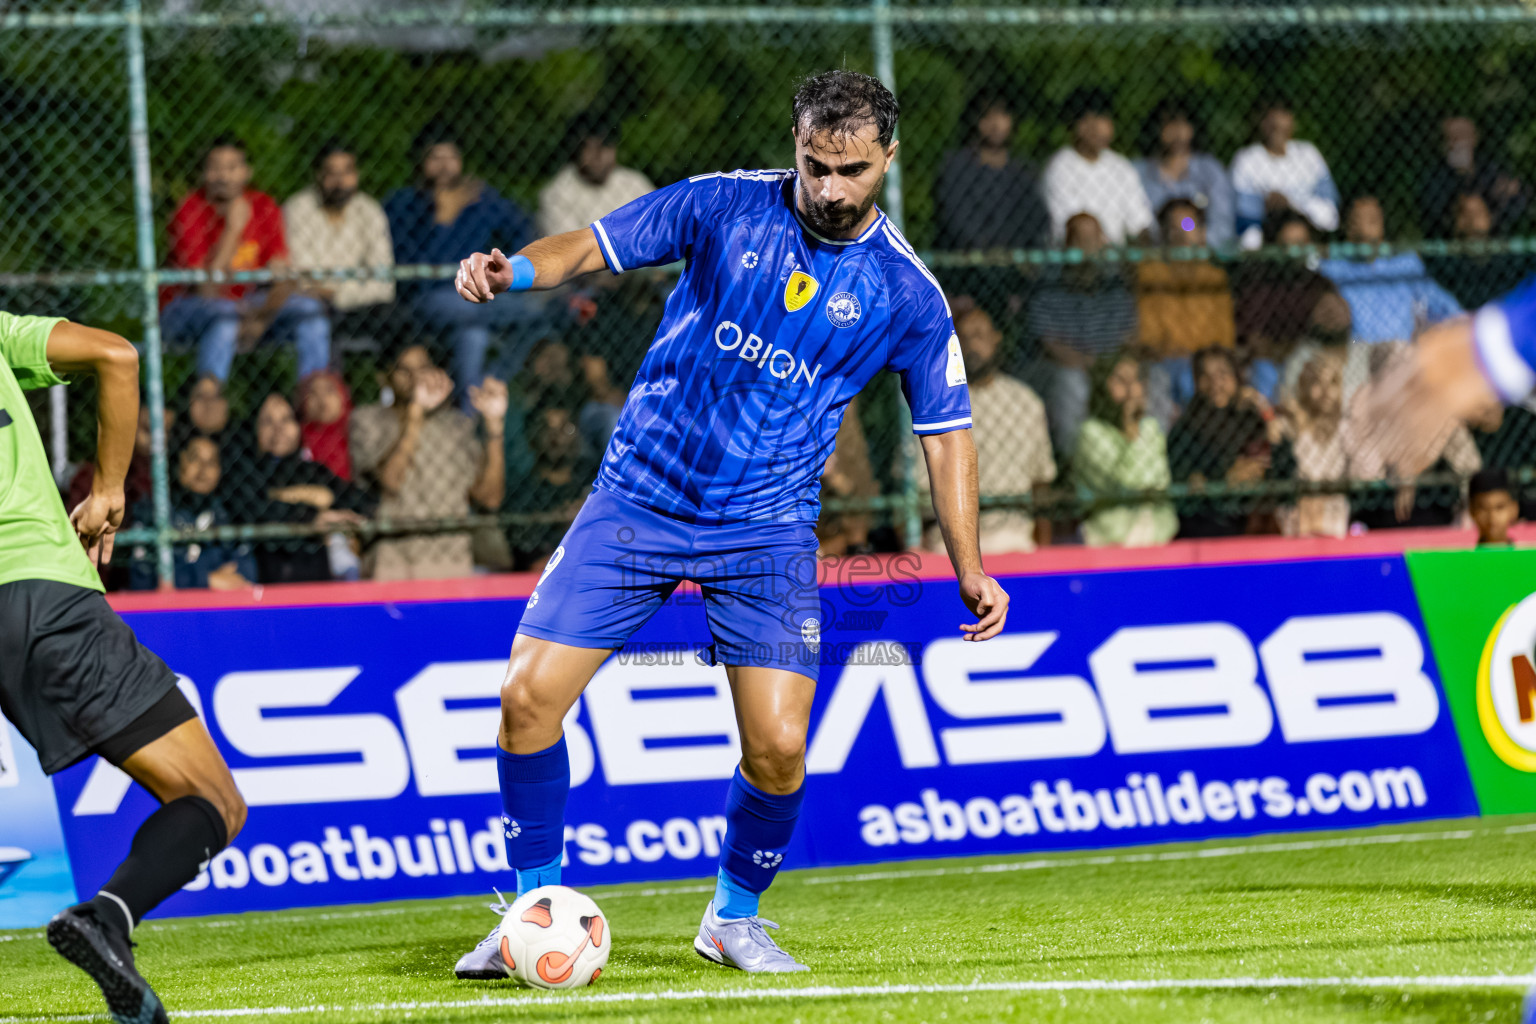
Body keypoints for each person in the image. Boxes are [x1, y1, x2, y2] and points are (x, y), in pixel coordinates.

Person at [450, 69, 1008, 975]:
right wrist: (512, 270)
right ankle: (531, 909)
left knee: (781, 750)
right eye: (815, 164)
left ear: (888, 161)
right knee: (525, 701)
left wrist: (969, 566)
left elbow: (946, 436)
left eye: (852, 171)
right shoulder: (721, 206)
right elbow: (590, 247)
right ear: (794, 142)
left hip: (768, 531)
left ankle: (732, 919)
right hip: (637, 500)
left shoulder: (907, 294)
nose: (829, 188)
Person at [0, 311, 245, 1024]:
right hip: (39, 588)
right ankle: (108, 918)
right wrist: (108, 487)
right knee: (213, 799)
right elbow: (115, 354)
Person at [161, 135, 331, 383]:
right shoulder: (190, 209)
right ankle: (208, 398)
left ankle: (313, 398)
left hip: (252, 307)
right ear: (203, 174)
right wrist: (233, 230)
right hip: (187, 307)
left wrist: (261, 319)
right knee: (225, 318)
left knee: (311, 313)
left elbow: (281, 276)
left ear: (246, 172)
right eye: (215, 168)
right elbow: (205, 289)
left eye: (232, 168)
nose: (223, 177)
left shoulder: (263, 205)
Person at [385, 126, 537, 398]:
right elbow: (413, 264)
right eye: (435, 158)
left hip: (480, 295)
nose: (444, 166)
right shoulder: (403, 203)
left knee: (509, 324)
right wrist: (445, 215)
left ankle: (480, 396)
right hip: (429, 297)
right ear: (420, 163)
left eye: (451, 157)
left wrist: (498, 267)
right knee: (470, 315)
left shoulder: (480, 198)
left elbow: (523, 232)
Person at [349, 342, 507, 580]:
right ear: (387, 378)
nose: (415, 377)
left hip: (452, 558)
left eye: (423, 368)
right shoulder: (368, 420)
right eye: (404, 370)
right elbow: (391, 482)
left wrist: (494, 428)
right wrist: (415, 413)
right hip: (392, 558)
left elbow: (490, 498)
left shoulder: (457, 425)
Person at [918, 308, 1055, 552]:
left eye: (979, 335)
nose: (972, 345)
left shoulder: (1025, 401)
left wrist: (1043, 551)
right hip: (947, 540)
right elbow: (912, 490)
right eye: (964, 338)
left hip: (1014, 535)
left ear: (996, 339)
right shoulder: (934, 402)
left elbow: (1040, 483)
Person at [1027, 212, 1138, 454]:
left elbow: (1127, 336)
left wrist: (1106, 366)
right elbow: (1049, 342)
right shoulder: (1049, 286)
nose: (1087, 247)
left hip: (1109, 364)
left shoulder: (1116, 286)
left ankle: (1137, 456)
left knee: (1146, 380)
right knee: (1072, 383)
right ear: (1067, 245)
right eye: (1080, 239)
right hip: (1067, 366)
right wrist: (1086, 362)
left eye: (1093, 238)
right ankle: (1076, 462)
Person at [239, 392, 374, 584]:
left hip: (317, 581)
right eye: (267, 421)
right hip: (267, 581)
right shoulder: (246, 472)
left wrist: (288, 498)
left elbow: (355, 499)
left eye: (286, 419)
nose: (278, 429)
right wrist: (313, 517)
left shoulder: (312, 470)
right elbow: (256, 509)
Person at [281, 141, 396, 335]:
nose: (340, 181)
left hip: (363, 307)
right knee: (312, 312)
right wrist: (331, 291)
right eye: (332, 173)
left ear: (357, 175)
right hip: (314, 305)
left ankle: (413, 366)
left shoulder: (369, 210)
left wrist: (337, 294)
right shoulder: (297, 209)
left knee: (397, 316)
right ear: (318, 175)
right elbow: (300, 275)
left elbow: (383, 281)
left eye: (347, 172)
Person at [1136, 199, 1236, 414]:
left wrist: (1199, 357)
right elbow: (1147, 336)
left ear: (1202, 233)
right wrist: (1165, 350)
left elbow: (1224, 336)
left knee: (1197, 375)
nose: (1181, 233)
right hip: (1163, 362)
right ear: (1163, 235)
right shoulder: (1150, 274)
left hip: (1205, 361)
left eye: (1188, 226)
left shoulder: (1215, 277)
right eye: (1172, 228)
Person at [1319, 196, 1461, 344]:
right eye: (1356, 221)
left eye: (1372, 220)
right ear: (1346, 226)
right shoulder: (1331, 270)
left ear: (1382, 223)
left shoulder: (1405, 264)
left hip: (1401, 351)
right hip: (1354, 352)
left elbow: (1442, 305)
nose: (1364, 228)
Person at [1073, 353, 1178, 547]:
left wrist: (1135, 430)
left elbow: (1160, 480)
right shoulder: (1091, 432)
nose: (1131, 388)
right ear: (1102, 386)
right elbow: (1123, 481)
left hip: (1158, 534)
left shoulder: (1150, 428)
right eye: (1121, 380)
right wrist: (1130, 429)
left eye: (1135, 379)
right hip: (1110, 537)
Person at [128, 435, 257, 592]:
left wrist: (181, 577)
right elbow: (143, 581)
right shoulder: (152, 513)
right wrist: (207, 579)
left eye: (211, 463)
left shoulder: (228, 513)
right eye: (195, 459)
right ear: (178, 463)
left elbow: (247, 574)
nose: (203, 469)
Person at [1166, 347, 1270, 538]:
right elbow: (1185, 492)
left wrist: (1264, 408)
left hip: (1249, 523)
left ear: (1236, 378)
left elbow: (1275, 467)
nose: (1215, 383)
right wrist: (1225, 479)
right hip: (1203, 526)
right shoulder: (1185, 428)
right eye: (1206, 375)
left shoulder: (1249, 417)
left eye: (1223, 373)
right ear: (1197, 382)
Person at [933, 94, 1048, 250]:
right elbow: (956, 221)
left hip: (1017, 260)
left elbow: (1036, 219)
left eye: (1002, 115)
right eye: (987, 117)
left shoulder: (1024, 172)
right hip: (970, 259)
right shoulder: (957, 168)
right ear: (976, 122)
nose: (995, 124)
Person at [1042, 88, 1154, 245]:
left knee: (1185, 223)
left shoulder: (1121, 167)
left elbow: (1141, 223)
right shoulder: (1060, 167)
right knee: (1085, 227)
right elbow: (1070, 227)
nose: (1096, 127)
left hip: (1119, 259)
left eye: (1103, 118)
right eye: (1087, 119)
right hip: (1077, 257)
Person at [1230, 100, 1339, 249]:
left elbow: (1330, 215)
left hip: (1306, 229)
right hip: (1264, 233)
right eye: (1271, 120)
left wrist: (1290, 203)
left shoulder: (1309, 154)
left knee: (1294, 234)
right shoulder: (1246, 159)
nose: (1277, 124)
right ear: (1261, 123)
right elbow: (1240, 211)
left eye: (1283, 116)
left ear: (1293, 122)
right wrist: (1266, 205)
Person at [503, 404, 595, 572]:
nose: (556, 438)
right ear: (532, 437)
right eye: (547, 429)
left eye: (566, 429)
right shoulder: (523, 494)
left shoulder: (594, 480)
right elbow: (534, 566)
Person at [1134, 99, 1235, 248]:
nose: (1177, 132)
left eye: (1183, 124)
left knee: (1185, 222)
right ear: (1157, 129)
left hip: (1202, 252)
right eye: (1169, 124)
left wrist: (1194, 236)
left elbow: (1223, 223)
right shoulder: (1138, 171)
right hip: (1157, 253)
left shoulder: (1210, 170)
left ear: (1192, 128)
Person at [537, 118, 654, 238]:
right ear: (577, 150)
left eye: (606, 146)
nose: (599, 155)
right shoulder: (557, 195)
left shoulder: (633, 182)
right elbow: (570, 250)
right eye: (592, 147)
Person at [1420, 116, 1528, 239]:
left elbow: (1515, 199)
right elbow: (1435, 213)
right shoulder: (1436, 177)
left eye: (1463, 136)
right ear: (1443, 143)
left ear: (1474, 138)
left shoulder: (1490, 169)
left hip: (1494, 239)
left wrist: (1491, 216)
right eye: (1452, 138)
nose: (1458, 143)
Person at [1427, 192, 1536, 310]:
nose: (1471, 221)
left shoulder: (1514, 259)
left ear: (1490, 216)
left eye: (1476, 213)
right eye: (1464, 214)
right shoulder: (1446, 268)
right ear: (1456, 222)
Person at [295, 369, 354, 481]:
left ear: (342, 396)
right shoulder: (298, 441)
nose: (322, 399)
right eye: (313, 393)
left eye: (329, 390)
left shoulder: (357, 432)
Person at [1469, 467, 1520, 546]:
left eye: (1500, 507)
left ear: (1514, 509)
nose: (1492, 517)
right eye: (1483, 508)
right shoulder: (1463, 558)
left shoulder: (1528, 558)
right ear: (1471, 510)